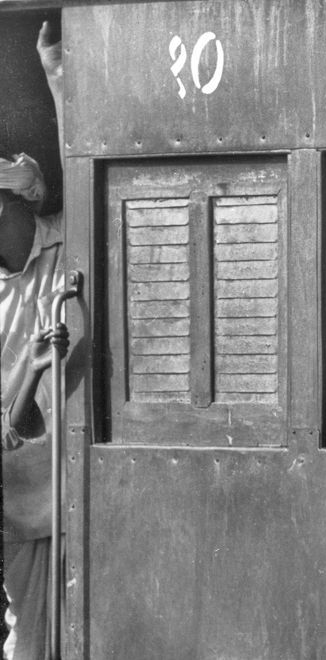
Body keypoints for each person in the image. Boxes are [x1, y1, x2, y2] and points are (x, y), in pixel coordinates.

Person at [0, 21, 66, 660]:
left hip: (56, 502)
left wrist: (54, 68)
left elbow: (94, 155)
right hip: (10, 501)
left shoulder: (61, 244)